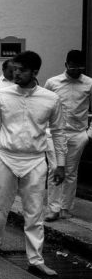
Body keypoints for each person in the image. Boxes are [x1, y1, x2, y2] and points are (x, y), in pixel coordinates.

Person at [0, 50, 66, 276]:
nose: (16, 73)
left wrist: (61, 164)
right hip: (6, 157)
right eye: (14, 69)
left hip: (35, 160)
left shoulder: (51, 98)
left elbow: (58, 133)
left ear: (35, 72)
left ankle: (36, 259)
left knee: (35, 211)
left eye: (22, 70)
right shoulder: (3, 95)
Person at [44, 50, 92, 221]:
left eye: (79, 68)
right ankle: (53, 208)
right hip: (55, 133)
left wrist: (88, 134)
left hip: (78, 134)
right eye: (72, 67)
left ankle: (65, 207)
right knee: (55, 169)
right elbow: (43, 106)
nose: (75, 71)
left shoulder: (89, 83)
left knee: (71, 172)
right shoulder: (52, 83)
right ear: (66, 65)